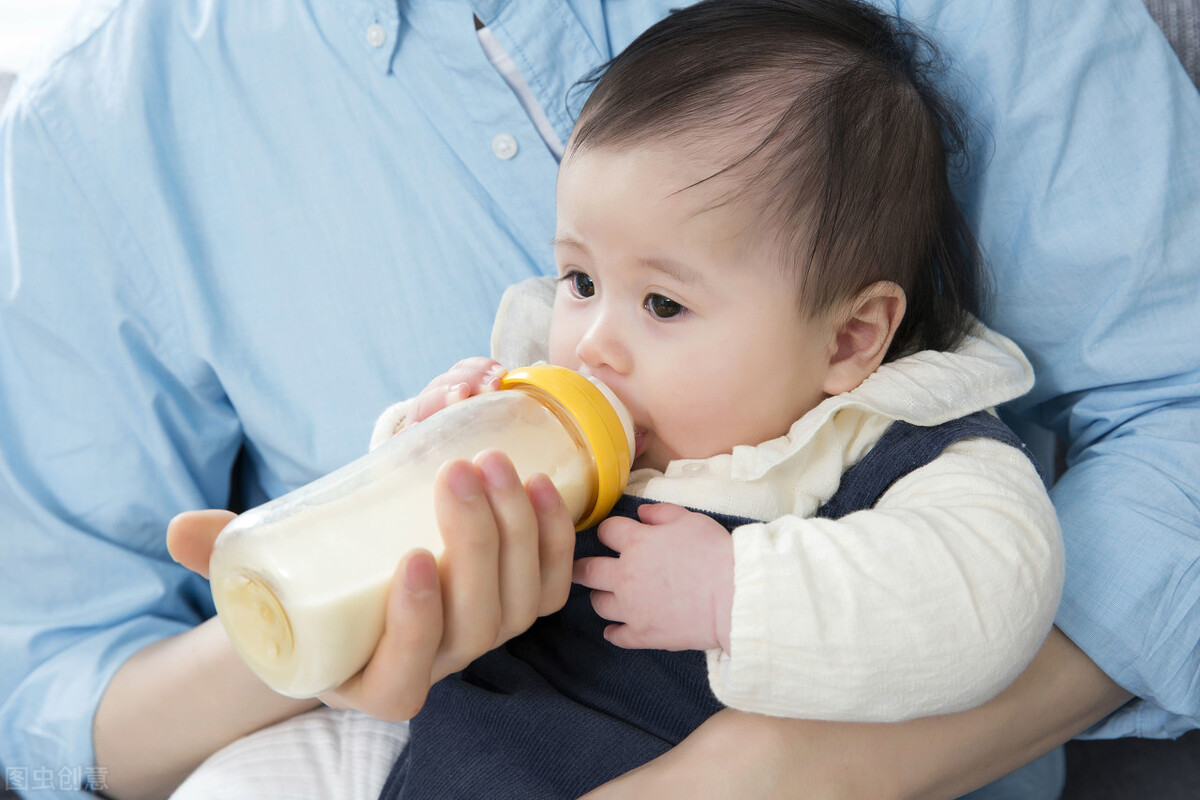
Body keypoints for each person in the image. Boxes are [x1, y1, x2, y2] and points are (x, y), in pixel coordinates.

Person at [0, 0, 1195, 799]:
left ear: (854, 336)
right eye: (577, 281)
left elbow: (988, 577)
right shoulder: (92, 127)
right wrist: (380, 527)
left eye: (662, 306)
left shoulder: (908, 446)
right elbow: (53, 678)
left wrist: (747, 643)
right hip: (439, 731)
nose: (594, 340)